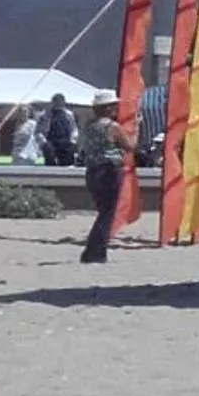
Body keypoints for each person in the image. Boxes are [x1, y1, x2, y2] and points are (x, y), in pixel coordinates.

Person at [79, 90, 131, 265]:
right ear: (108, 108)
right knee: (107, 214)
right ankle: (95, 251)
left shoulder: (89, 126)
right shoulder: (112, 127)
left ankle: (93, 251)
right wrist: (136, 128)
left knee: (103, 211)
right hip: (108, 171)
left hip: (92, 171)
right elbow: (130, 146)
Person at [40, 94, 79, 168]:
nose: (58, 102)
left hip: (64, 140)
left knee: (68, 158)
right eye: (56, 100)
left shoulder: (68, 114)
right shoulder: (45, 114)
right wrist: (43, 141)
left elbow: (73, 128)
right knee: (49, 156)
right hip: (50, 140)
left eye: (60, 101)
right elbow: (39, 131)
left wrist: (73, 140)